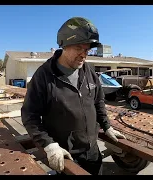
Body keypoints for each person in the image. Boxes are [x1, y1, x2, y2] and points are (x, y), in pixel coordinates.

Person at [21, 17, 126, 175]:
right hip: (66, 156)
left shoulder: (88, 71)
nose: (84, 54)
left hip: (92, 151)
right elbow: (30, 116)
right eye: (79, 48)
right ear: (64, 45)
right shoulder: (44, 75)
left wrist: (107, 126)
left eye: (87, 49)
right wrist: (49, 145)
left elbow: (98, 101)